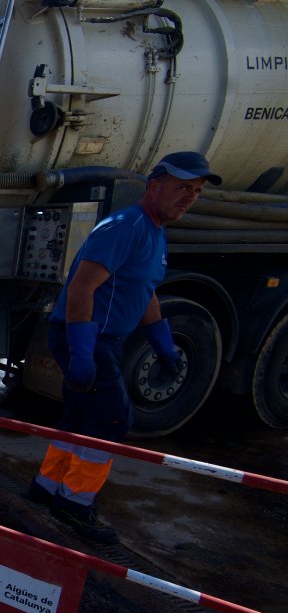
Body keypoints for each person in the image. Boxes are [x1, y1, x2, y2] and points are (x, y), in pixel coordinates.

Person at [29, 151, 221, 544]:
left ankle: (47, 488)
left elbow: (144, 292)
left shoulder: (154, 231)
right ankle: (75, 505)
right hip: (88, 335)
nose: (190, 197)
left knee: (83, 414)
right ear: (154, 186)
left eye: (197, 191)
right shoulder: (125, 227)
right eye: (182, 187)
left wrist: (164, 347)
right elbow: (83, 286)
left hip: (103, 339)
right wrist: (82, 353)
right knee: (113, 420)